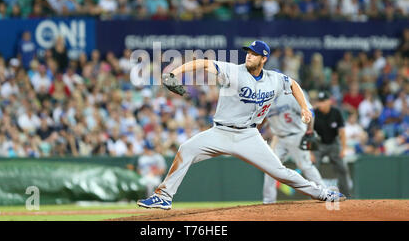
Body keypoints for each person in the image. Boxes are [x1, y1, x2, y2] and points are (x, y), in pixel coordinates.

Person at [137, 40, 346, 210]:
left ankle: (322, 193)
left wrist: (304, 107)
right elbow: (203, 63)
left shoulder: (273, 79)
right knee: (186, 149)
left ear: (264, 58)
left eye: (254, 53)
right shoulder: (233, 71)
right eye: (248, 52)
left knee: (280, 172)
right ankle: (164, 196)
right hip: (220, 132)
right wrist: (175, 72)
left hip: (249, 136)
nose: (249, 55)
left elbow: (292, 84)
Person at [261, 90, 324, 204]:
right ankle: (268, 201)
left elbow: (309, 111)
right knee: (270, 168)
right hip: (278, 138)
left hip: (296, 135)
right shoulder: (265, 99)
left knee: (305, 166)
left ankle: (324, 192)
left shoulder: (290, 97)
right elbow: (262, 118)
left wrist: (309, 130)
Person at [312, 90, 351, 197]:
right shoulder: (314, 113)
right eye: (319, 101)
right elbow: (309, 133)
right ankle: (313, 195)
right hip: (319, 144)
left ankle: (346, 195)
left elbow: (342, 132)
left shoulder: (336, 112)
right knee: (312, 168)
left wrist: (343, 149)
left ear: (329, 101)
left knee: (342, 169)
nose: (321, 104)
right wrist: (310, 153)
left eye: (324, 101)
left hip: (334, 143)